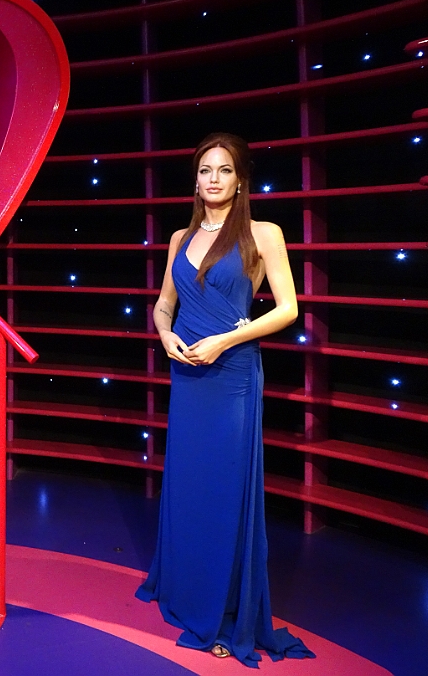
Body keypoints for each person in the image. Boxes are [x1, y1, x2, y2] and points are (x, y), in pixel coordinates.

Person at [136, 132, 315, 667]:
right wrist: (165, 335)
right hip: (187, 376)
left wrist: (224, 341)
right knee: (188, 487)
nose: (213, 179)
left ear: (240, 181)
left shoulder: (263, 233)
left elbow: (287, 309)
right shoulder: (179, 238)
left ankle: (226, 611)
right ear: (196, 181)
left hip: (232, 375)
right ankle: (186, 590)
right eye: (205, 170)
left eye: (224, 170)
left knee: (224, 491)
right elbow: (162, 305)